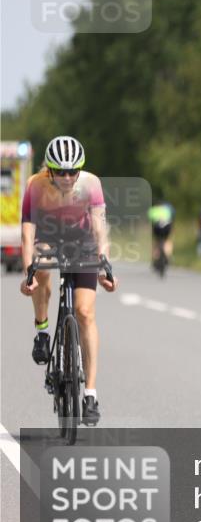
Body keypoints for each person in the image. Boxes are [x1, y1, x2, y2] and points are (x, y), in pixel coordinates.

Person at [19, 136, 117, 425]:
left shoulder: (91, 184)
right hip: (48, 236)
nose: (66, 177)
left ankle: (90, 395)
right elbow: (28, 231)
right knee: (41, 268)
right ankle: (42, 330)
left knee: (85, 313)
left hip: (82, 240)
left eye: (72, 171)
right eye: (60, 171)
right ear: (48, 170)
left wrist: (105, 266)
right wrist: (28, 272)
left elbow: (100, 227)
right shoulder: (35, 186)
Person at [148, 199, 175, 268]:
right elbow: (171, 218)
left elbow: (150, 221)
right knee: (167, 241)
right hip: (167, 227)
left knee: (156, 242)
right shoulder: (167, 209)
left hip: (157, 227)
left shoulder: (153, 210)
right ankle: (168, 256)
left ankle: (155, 257)